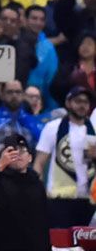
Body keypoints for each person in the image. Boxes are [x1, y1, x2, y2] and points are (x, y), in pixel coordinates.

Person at [33, 87, 96, 228]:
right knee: (60, 246)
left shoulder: (94, 129)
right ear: (68, 103)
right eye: (78, 101)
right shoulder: (52, 127)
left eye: (86, 102)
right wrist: (39, 194)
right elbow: (39, 163)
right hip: (59, 199)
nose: (82, 105)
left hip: (89, 199)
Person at [0, 134, 51, 251]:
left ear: (30, 157)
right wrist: (0, 166)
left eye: (22, 151)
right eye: (12, 152)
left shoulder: (37, 183)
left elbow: (43, 222)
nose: (18, 155)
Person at [0, 80, 42, 158]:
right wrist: (1, 150)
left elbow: (41, 150)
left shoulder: (31, 121)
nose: (14, 95)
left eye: (18, 92)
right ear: (2, 94)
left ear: (23, 95)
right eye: (10, 92)